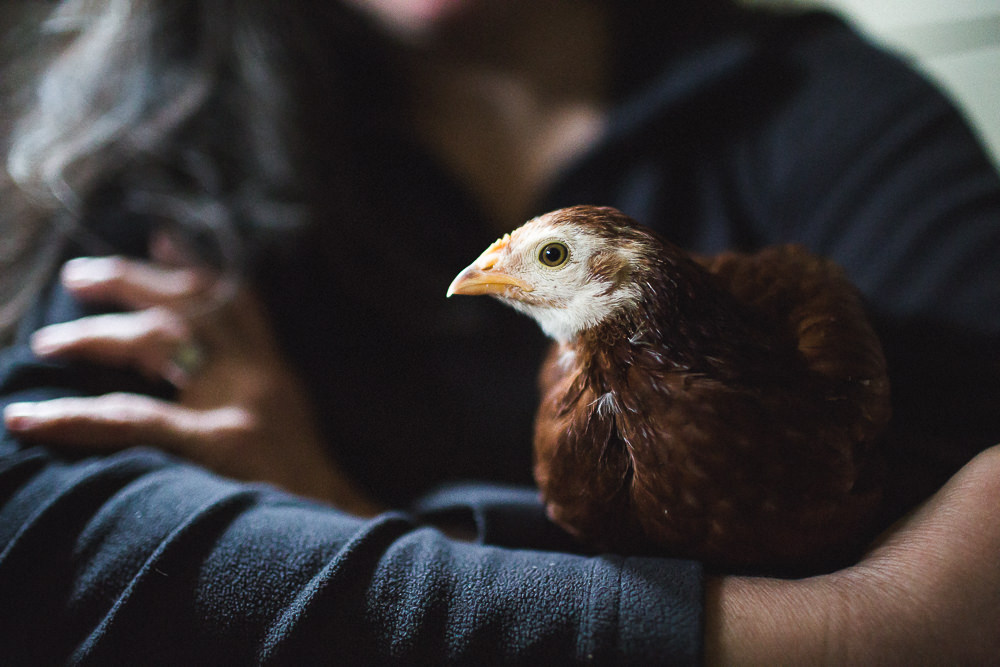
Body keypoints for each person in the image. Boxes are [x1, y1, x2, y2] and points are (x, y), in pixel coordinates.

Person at [1, 0, 998, 663]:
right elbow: (39, 549)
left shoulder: (814, 102)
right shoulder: (176, 150)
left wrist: (331, 522)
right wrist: (846, 632)